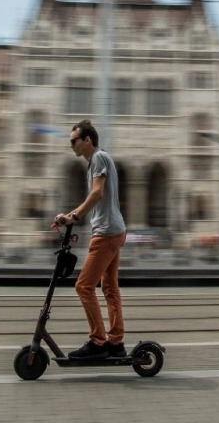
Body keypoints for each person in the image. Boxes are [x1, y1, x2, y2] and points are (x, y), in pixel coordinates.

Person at [54, 119, 127, 360]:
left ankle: (98, 342)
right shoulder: (99, 160)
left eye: (74, 140)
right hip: (114, 230)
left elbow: (97, 193)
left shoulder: (98, 158)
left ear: (87, 140)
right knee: (109, 289)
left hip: (106, 233)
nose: (71, 145)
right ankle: (115, 342)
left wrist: (72, 216)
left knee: (84, 286)